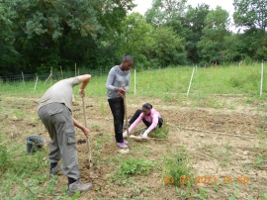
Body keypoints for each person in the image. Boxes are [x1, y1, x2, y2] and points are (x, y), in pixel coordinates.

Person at [37, 74, 93, 196]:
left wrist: (83, 128)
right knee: (68, 143)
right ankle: (74, 184)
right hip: (57, 109)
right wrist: (82, 88)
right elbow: (88, 76)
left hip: (42, 110)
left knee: (56, 138)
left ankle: (53, 168)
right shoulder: (69, 82)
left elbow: (67, 116)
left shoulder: (57, 89)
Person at [106, 55, 133, 149]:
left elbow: (128, 85)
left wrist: (124, 91)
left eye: (131, 66)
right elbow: (108, 85)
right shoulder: (114, 70)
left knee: (121, 117)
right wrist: (118, 89)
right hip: (112, 98)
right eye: (128, 65)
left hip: (121, 97)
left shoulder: (128, 72)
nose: (129, 67)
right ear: (124, 62)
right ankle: (119, 141)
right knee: (117, 118)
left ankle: (119, 137)